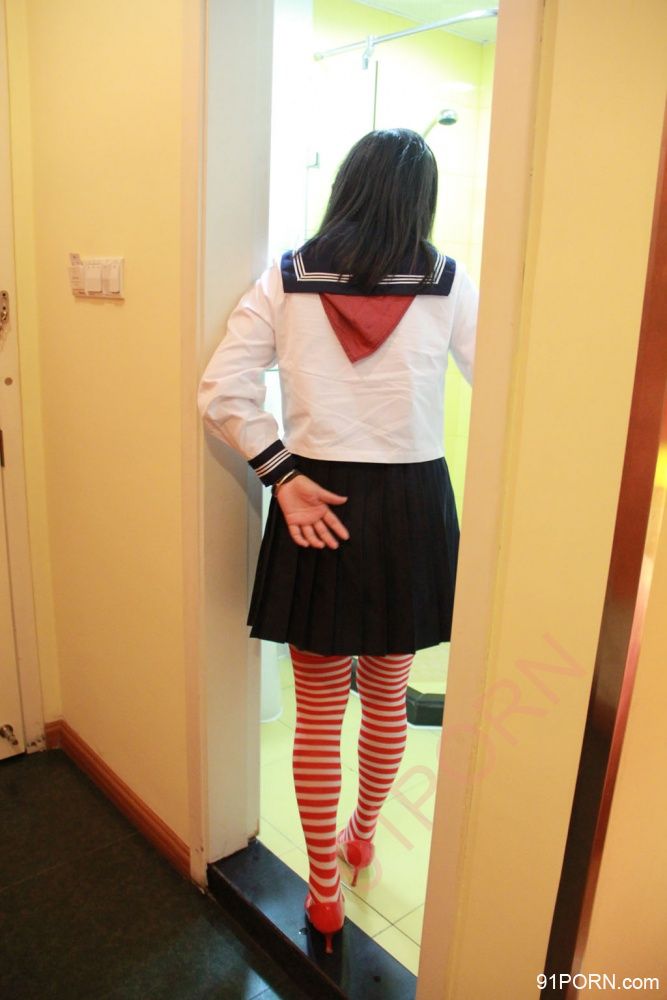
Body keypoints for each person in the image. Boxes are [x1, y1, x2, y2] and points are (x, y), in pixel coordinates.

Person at [198, 128, 478, 954]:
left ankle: (322, 891)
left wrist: (280, 474)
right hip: (411, 508)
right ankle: (362, 838)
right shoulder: (449, 282)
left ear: (347, 187)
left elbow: (220, 391)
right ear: (420, 200)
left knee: (317, 712)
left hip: (313, 498)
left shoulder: (285, 278)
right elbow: (511, 386)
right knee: (387, 695)